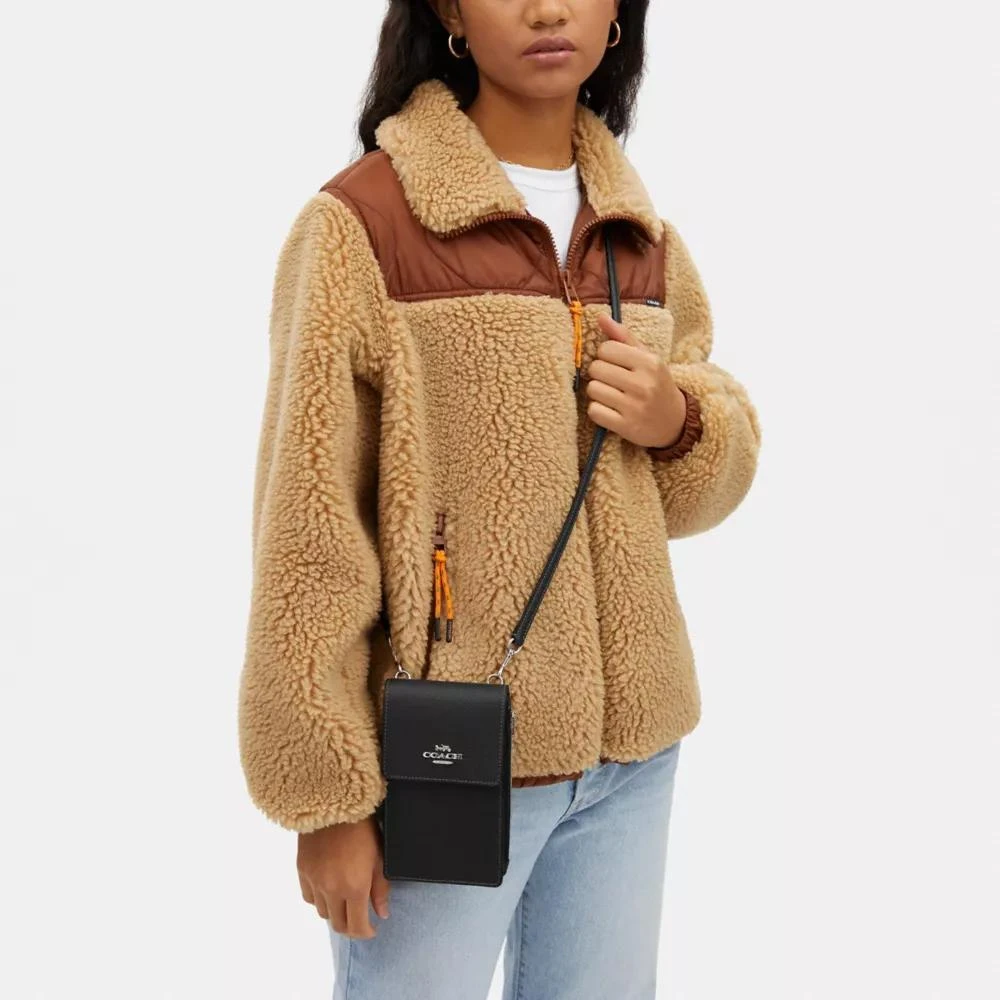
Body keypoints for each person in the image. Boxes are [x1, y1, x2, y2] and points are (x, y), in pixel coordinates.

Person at [237, 1, 761, 997]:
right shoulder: (361, 225)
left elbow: (692, 492)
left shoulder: (640, 237)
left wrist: (678, 419)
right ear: (449, 11)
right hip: (447, 756)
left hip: (632, 758)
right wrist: (327, 798)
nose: (548, 8)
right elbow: (308, 524)